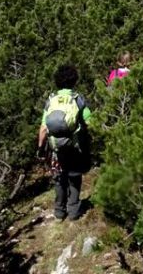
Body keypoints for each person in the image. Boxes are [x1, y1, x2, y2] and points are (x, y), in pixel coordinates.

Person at [38, 64, 92, 221]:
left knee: (59, 179)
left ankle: (59, 212)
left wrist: (41, 148)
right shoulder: (77, 100)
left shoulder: (51, 101)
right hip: (74, 147)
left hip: (56, 149)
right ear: (74, 81)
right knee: (74, 177)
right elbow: (90, 122)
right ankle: (73, 210)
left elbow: (43, 128)